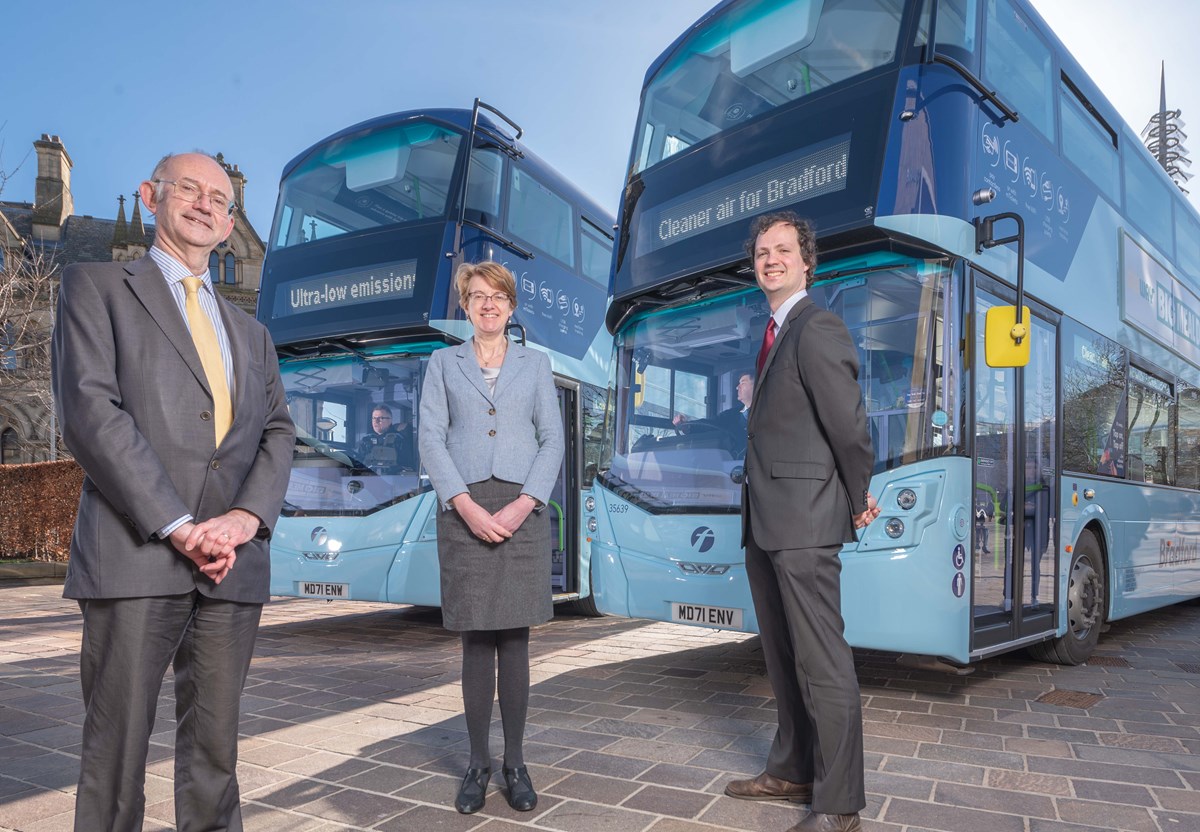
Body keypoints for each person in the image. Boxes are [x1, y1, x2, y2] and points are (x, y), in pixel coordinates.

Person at [51, 152, 294, 831]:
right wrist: (178, 524)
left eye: (220, 197)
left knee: (215, 759)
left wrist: (245, 518)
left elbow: (277, 430)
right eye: (188, 188)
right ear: (151, 195)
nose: (205, 204)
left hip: (232, 567)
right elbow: (91, 413)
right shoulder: (94, 286)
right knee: (116, 756)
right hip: (137, 557)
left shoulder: (253, 332)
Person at [724, 211, 878, 832]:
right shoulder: (772, 333)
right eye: (762, 251)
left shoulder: (817, 327)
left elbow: (850, 427)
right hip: (767, 521)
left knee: (824, 663)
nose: (770, 259)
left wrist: (859, 494)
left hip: (806, 522)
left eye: (782, 250)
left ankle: (839, 804)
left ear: (806, 261)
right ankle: (791, 769)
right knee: (784, 657)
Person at [418, 261, 564, 816]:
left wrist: (528, 502)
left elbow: (551, 440)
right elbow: (431, 438)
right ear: (466, 305)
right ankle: (478, 764)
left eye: (497, 296)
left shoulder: (537, 363)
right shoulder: (441, 362)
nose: (487, 305)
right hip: (465, 508)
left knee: (516, 640)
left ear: (511, 305)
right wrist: (463, 504)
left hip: (522, 508)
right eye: (477, 296)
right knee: (476, 640)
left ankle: (517, 762)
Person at [356, 403, 414, 472]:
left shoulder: (399, 440)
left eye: (380, 418)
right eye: (374, 418)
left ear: (390, 420)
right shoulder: (366, 440)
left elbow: (407, 466)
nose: (376, 421)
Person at [717, 370, 754, 452]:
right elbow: (711, 423)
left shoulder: (773, 414)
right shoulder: (729, 415)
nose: (737, 387)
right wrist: (688, 426)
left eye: (743, 383)